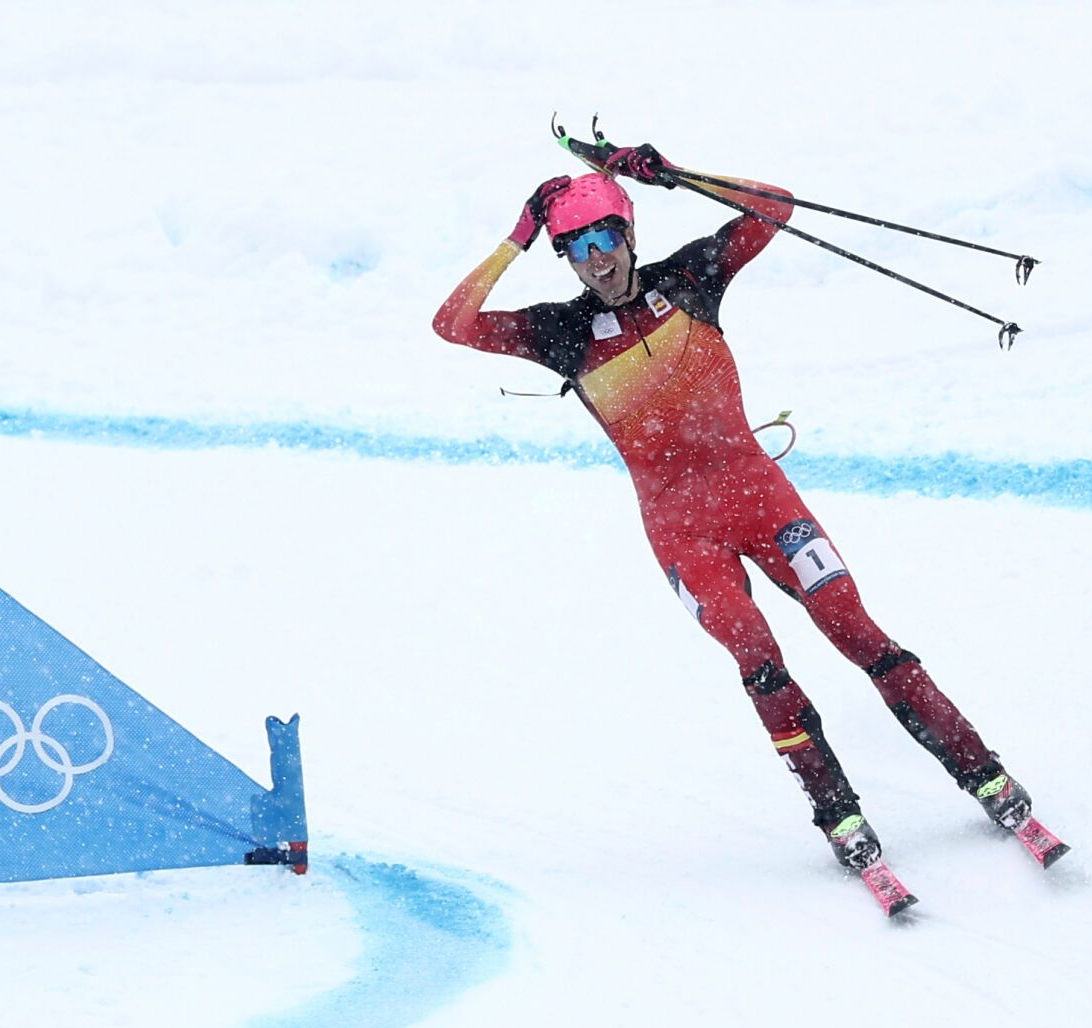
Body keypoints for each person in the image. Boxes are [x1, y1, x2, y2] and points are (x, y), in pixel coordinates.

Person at [431, 146, 1036, 875]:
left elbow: (775, 206)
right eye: (577, 248)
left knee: (857, 630)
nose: (597, 260)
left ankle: (983, 773)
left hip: (760, 499)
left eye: (606, 238)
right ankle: (838, 814)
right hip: (683, 534)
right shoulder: (561, 334)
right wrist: (520, 234)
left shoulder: (689, 279)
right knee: (758, 656)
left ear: (629, 233)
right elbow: (452, 323)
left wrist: (673, 173)